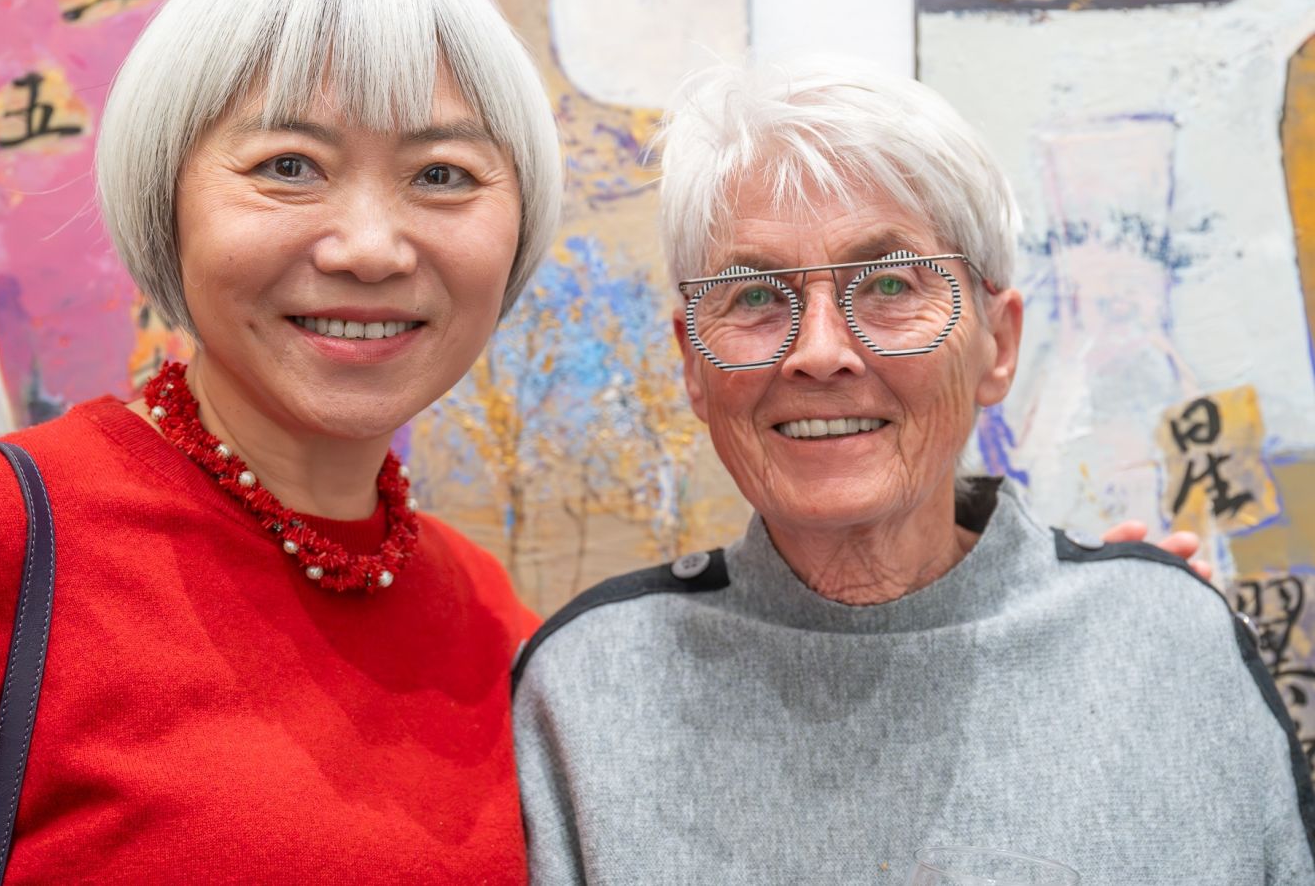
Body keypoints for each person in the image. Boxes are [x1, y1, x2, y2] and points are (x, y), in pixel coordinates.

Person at [512, 59, 1315, 884]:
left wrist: (1136, 620)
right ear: (692, 363)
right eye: (753, 297)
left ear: (997, 346)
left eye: (890, 283)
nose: (820, 352)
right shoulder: (589, 690)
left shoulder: (1170, 649)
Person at [0, 0, 562, 883]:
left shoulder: (491, 617)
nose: (369, 249)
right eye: (288, 166)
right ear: (167, 200)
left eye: (442, 175)